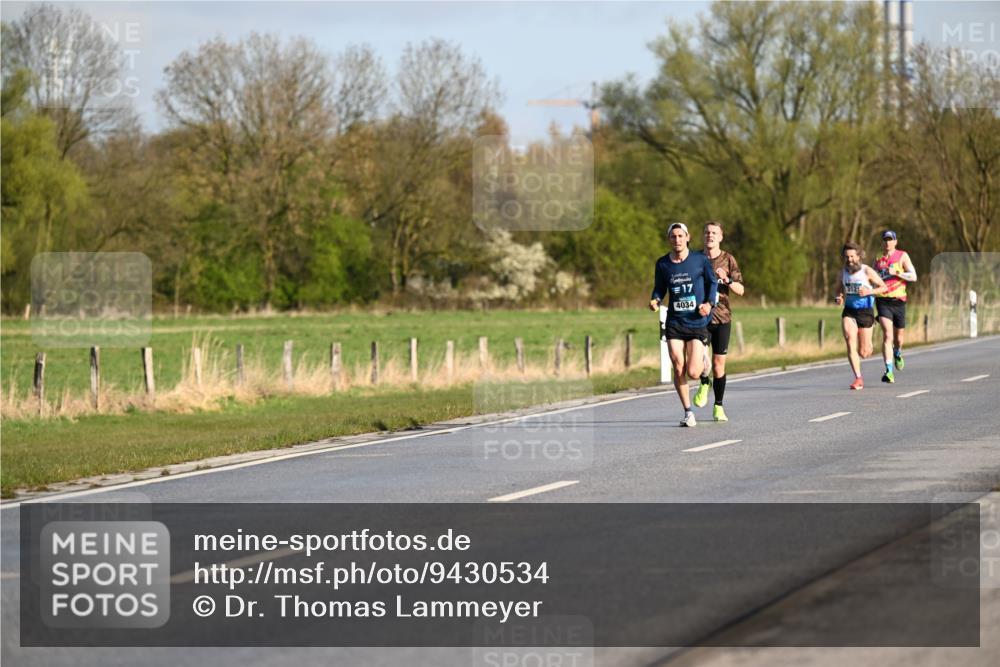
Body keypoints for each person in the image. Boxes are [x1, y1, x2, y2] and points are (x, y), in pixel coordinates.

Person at [650, 222, 718, 426]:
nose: (677, 240)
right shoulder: (663, 264)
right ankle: (688, 412)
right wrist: (655, 299)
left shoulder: (700, 260)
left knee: (693, 372)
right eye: (673, 237)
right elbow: (659, 288)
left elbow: (712, 283)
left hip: (696, 321)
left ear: (688, 237)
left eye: (681, 236)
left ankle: (705, 370)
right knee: (678, 366)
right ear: (669, 239)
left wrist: (709, 303)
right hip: (674, 322)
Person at [692, 221, 744, 422]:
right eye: (706, 232)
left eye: (714, 233)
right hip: (700, 317)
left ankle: (718, 406)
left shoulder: (728, 259)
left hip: (722, 317)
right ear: (702, 236)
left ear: (721, 237)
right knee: (700, 361)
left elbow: (741, 290)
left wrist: (727, 280)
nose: (710, 235)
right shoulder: (695, 259)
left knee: (718, 364)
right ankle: (704, 382)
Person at [835, 242, 888, 390]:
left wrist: (869, 292)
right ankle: (858, 378)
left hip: (865, 312)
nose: (849, 259)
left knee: (864, 353)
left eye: (852, 256)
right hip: (849, 311)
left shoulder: (866, 271)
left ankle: (870, 336)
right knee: (849, 339)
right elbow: (838, 290)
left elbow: (884, 287)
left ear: (859, 256)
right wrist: (839, 298)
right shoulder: (842, 273)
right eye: (846, 257)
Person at [873, 230, 917, 383]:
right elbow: (873, 279)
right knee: (887, 335)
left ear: (895, 242)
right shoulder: (878, 258)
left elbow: (913, 276)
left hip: (899, 301)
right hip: (883, 300)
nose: (887, 242)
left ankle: (897, 352)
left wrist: (897, 272)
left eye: (890, 240)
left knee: (898, 338)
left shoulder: (902, 256)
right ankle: (889, 371)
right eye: (885, 240)